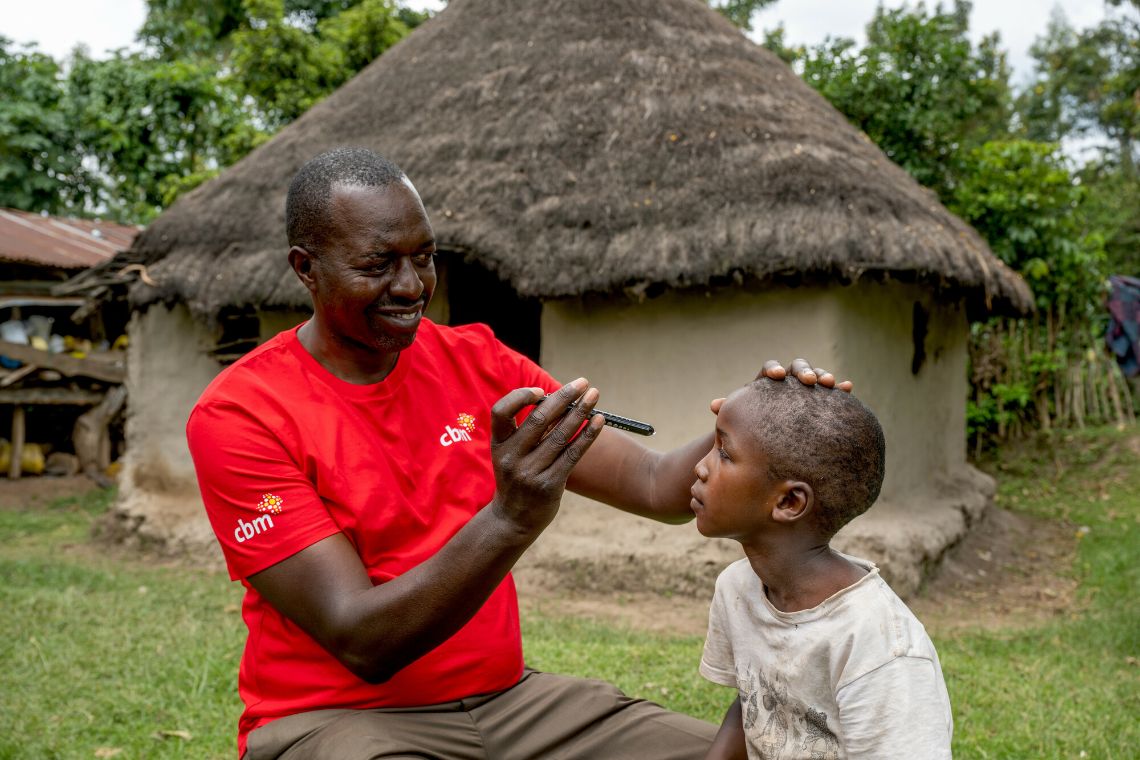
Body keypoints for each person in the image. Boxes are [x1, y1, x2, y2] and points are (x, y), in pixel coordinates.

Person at [187, 147, 846, 759]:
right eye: (378, 264)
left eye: (424, 256)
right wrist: (511, 517)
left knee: (751, 753)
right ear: (306, 267)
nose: (412, 285)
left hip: (512, 705)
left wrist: (759, 414)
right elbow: (363, 640)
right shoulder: (241, 415)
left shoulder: (473, 360)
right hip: (340, 720)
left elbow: (653, 483)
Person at [692, 378, 953, 760]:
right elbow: (754, 704)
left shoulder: (878, 644)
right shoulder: (738, 587)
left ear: (789, 501)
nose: (700, 467)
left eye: (724, 453)